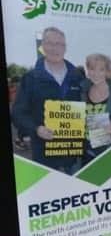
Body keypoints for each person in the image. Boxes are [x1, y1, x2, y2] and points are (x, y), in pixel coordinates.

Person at [11, 27, 84, 173]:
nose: (54, 48)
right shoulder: (30, 78)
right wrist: (36, 129)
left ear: (65, 48)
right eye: (50, 43)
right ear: (43, 46)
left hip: (75, 156)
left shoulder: (79, 77)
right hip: (44, 156)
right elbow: (18, 114)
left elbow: (92, 107)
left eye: (59, 44)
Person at [81, 53, 111, 165]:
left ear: (107, 72)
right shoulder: (81, 92)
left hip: (108, 154)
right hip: (85, 154)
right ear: (88, 71)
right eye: (92, 69)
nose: (96, 74)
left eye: (101, 70)